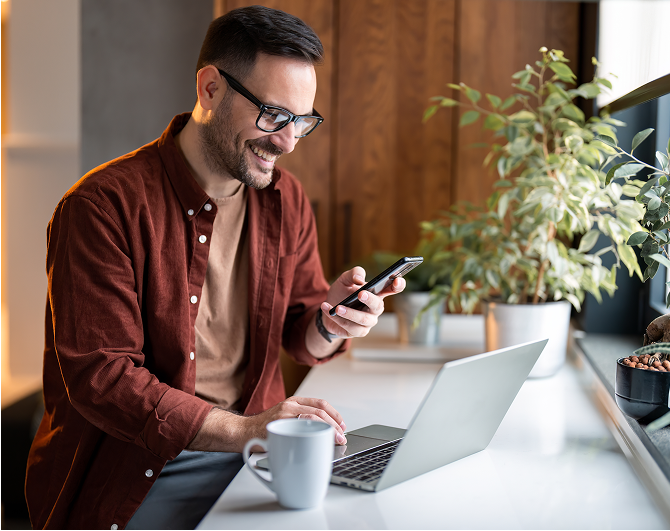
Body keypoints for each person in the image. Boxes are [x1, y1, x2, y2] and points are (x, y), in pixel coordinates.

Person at [25, 6, 405, 530]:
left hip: (257, 452)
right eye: (274, 115)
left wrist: (330, 322)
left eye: (303, 121)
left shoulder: (284, 199)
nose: (289, 141)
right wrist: (249, 431)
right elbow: (103, 379)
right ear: (210, 89)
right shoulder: (101, 207)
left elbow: (300, 339)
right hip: (142, 472)